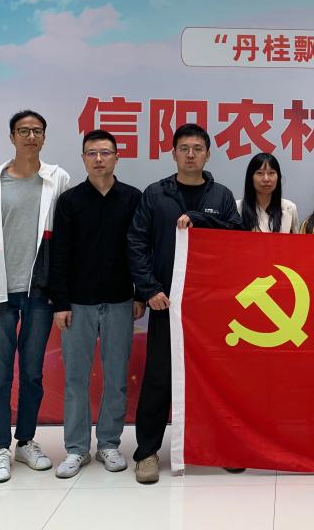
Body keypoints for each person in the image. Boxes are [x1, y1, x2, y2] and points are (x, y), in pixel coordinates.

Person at [127, 123, 243, 484]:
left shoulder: (221, 195)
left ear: (208, 154)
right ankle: (147, 453)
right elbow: (136, 243)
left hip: (209, 307)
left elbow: (237, 237)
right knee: (159, 377)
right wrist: (150, 289)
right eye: (184, 148)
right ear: (173, 153)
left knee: (213, 378)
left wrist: (200, 218)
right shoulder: (155, 193)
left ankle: (218, 446)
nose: (190, 155)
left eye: (197, 149)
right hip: (167, 303)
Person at [0, 110, 70, 483]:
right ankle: (0, 448)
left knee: (32, 373)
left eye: (37, 130)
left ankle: (25, 441)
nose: (31, 136)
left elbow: (63, 241)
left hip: (39, 294)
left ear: (44, 137)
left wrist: (59, 293)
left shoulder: (57, 180)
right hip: (0, 295)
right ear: (12, 137)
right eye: (23, 131)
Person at [48, 130, 142, 479]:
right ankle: (76, 449)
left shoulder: (132, 198)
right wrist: (60, 302)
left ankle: (109, 444)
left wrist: (140, 295)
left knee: (116, 377)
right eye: (92, 153)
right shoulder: (70, 201)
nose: (99, 159)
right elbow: (59, 254)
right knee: (75, 379)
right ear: (83, 158)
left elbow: (140, 250)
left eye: (105, 152)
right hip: (77, 303)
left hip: (120, 301)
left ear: (117, 157)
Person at [237, 152, 299, 233]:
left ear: (278, 177)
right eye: (260, 173)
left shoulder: (290, 208)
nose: (266, 179)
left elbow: (296, 239)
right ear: (250, 177)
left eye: (271, 173)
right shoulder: (237, 208)